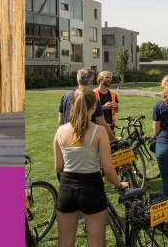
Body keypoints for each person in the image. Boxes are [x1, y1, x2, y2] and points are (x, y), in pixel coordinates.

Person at [54, 89, 128, 247]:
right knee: (95, 241)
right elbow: (108, 169)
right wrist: (119, 184)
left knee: (65, 241)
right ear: (94, 106)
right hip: (92, 188)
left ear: (72, 106)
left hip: (67, 187)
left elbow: (59, 167)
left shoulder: (60, 131)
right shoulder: (99, 131)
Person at [93, 71, 119, 142]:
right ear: (100, 79)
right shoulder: (93, 93)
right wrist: (103, 107)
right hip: (97, 126)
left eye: (110, 78)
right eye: (107, 77)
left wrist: (116, 105)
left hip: (110, 126)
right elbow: (90, 110)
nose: (109, 79)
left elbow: (116, 110)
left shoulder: (113, 94)